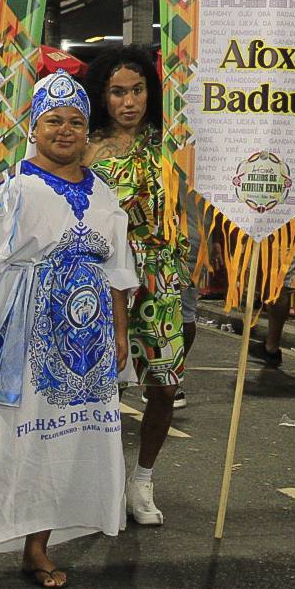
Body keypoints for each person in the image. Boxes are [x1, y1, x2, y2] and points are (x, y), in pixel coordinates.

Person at [0, 72, 138, 589]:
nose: (65, 131)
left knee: (58, 444)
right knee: (0, 439)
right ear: (33, 128)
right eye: (53, 121)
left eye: (76, 122)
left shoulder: (104, 195)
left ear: (88, 131)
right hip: (19, 338)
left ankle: (38, 548)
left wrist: (120, 335)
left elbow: (117, 273)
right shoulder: (12, 187)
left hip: (85, 345)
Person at [82, 47, 183, 527]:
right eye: (118, 91)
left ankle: (141, 481)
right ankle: (91, 482)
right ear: (102, 95)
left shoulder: (170, 144)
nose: (129, 101)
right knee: (95, 384)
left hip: (162, 276)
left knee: (163, 385)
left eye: (138, 90)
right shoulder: (84, 146)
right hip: (99, 280)